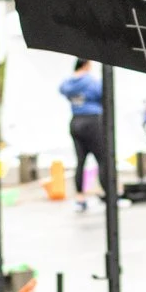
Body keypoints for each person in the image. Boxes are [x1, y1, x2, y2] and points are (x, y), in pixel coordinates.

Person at [58, 57, 104, 209]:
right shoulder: (90, 81)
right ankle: (109, 194)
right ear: (87, 64)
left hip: (75, 121)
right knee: (103, 160)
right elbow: (102, 94)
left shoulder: (68, 83)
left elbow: (62, 90)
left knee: (80, 161)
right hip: (92, 121)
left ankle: (79, 197)